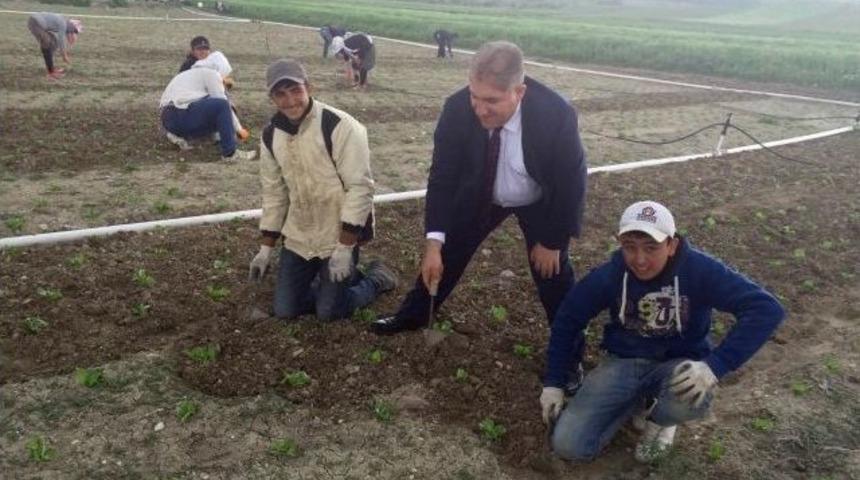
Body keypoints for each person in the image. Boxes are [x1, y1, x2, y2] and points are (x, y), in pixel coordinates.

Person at [370, 42, 587, 350]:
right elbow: (443, 178)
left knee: (552, 273)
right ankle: (413, 316)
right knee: (444, 255)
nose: (480, 108)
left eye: (491, 100)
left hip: (538, 198)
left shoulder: (555, 113)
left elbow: (571, 180)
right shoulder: (457, 108)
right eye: (475, 96)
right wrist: (434, 242)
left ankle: (570, 352)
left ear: (519, 92)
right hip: (482, 193)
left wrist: (554, 241)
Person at [540, 201, 785, 463]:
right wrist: (554, 381)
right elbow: (568, 319)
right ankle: (633, 401)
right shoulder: (612, 274)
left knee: (689, 398)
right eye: (630, 247)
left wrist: (716, 365)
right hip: (624, 362)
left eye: (651, 248)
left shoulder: (699, 270)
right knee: (569, 445)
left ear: (672, 245)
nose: (640, 260)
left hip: (678, 365)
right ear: (620, 243)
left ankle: (661, 421)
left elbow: (766, 309)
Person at [248, 59, 398, 321]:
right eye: (280, 94)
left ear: (309, 87)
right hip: (299, 235)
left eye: (295, 90)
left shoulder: (340, 126)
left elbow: (360, 188)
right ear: (272, 98)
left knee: (329, 312)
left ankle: (375, 280)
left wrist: (344, 248)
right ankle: (338, 280)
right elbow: (274, 193)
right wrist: (266, 249)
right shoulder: (271, 135)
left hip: (337, 235)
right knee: (285, 310)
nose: (290, 100)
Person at [158, 62, 256, 161]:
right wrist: (239, 129)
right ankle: (230, 154)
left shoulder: (190, 76)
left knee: (214, 111)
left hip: (168, 119)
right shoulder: (212, 74)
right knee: (221, 105)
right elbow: (223, 103)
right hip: (180, 113)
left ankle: (178, 137)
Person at [27, 12, 82, 80]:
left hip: (36, 22)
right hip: (35, 23)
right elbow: (61, 41)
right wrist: (64, 56)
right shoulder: (63, 24)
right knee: (47, 44)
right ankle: (51, 72)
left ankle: (51, 68)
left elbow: (59, 40)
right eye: (74, 31)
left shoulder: (63, 22)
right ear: (71, 26)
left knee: (53, 42)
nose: (73, 33)